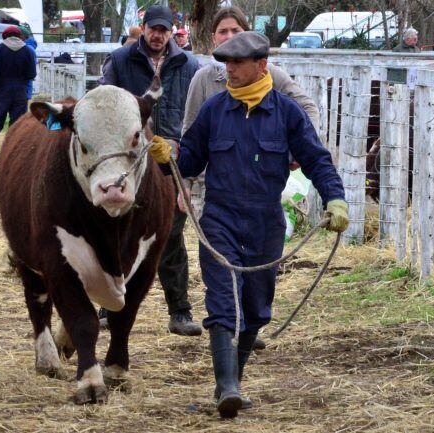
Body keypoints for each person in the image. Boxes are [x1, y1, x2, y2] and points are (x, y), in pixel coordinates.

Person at [149, 31, 348, 419]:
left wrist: (335, 197)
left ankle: (232, 382)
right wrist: (165, 156)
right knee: (223, 301)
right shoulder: (213, 110)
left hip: (265, 222)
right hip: (219, 218)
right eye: (225, 63)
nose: (229, 70)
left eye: (236, 64)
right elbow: (188, 161)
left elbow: (317, 159)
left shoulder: (289, 114)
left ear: (261, 66)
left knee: (257, 309)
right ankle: (226, 386)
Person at [181, 6, 321, 351]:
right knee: (221, 268)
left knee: (256, 278)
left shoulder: (274, 77)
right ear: (213, 38)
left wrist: (294, 154)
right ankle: (226, 335)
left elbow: (308, 114)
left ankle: (246, 327)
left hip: (261, 193)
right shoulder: (204, 82)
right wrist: (180, 178)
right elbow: (190, 136)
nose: (229, 40)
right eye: (222, 33)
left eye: (235, 32)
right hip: (213, 190)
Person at [99, 5, 201, 336]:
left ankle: (180, 311)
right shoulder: (119, 60)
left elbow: (199, 112)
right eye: (153, 28)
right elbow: (103, 102)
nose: (158, 35)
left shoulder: (189, 65)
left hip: (173, 160)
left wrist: (184, 148)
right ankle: (109, 305)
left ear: (174, 31)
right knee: (121, 231)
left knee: (170, 233)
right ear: (142, 27)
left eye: (165, 30)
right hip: (129, 160)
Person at [0, 26, 37, 163]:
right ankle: (12, 157)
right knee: (16, 124)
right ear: (19, 36)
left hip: (2, 91)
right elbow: (32, 74)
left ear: (5, 36)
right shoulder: (27, 50)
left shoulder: (0, 49)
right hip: (20, 92)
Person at [18, 24, 38, 100]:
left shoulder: (27, 49)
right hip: (25, 85)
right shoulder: (30, 48)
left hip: (23, 84)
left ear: (21, 36)